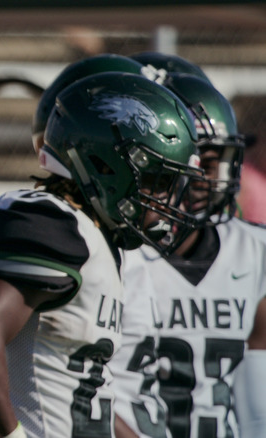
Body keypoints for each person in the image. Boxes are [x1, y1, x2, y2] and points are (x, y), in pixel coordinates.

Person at [0, 71, 202, 438]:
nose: (164, 201)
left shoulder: (90, 234)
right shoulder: (48, 221)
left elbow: (85, 396)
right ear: (105, 165)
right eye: (157, 182)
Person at [118, 56, 266, 438]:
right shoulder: (111, 251)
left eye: (214, 160)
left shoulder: (254, 251)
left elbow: (257, 400)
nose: (201, 177)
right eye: (188, 160)